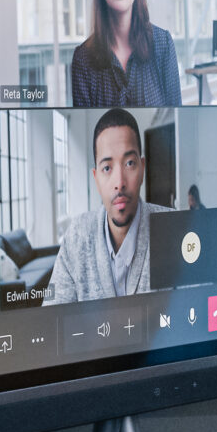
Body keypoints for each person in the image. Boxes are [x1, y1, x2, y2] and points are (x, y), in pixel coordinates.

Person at [45, 108, 162, 303]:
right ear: (96, 178)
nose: (119, 182)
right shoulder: (77, 236)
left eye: (130, 163)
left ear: (142, 169)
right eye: (107, 168)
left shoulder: (173, 227)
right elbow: (51, 320)